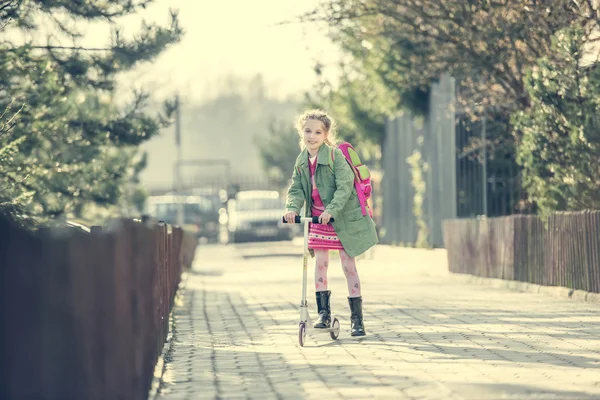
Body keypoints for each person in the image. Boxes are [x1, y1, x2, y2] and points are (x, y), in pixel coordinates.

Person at [284, 109, 379, 337]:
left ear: (326, 134)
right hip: (317, 220)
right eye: (308, 131)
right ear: (301, 132)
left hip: (340, 220)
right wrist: (291, 208)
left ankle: (357, 320)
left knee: (348, 266)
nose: (312, 136)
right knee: (321, 265)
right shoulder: (301, 160)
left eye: (318, 132)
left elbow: (345, 187)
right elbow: (297, 188)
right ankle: (323, 314)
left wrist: (331, 210)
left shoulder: (335, 157)